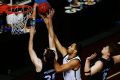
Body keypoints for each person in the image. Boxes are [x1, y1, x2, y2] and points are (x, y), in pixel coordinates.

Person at [43, 9, 82, 80]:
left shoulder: (75, 61)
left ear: (75, 51)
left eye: (71, 47)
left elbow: (58, 69)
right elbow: (54, 38)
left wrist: (52, 57)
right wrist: (48, 22)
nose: (69, 47)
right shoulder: (65, 53)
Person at [28, 9, 58, 80]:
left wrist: (31, 35)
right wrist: (49, 21)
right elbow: (51, 36)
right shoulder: (54, 59)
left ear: (44, 57)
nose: (45, 48)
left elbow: (30, 49)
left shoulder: (40, 65)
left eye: (45, 50)